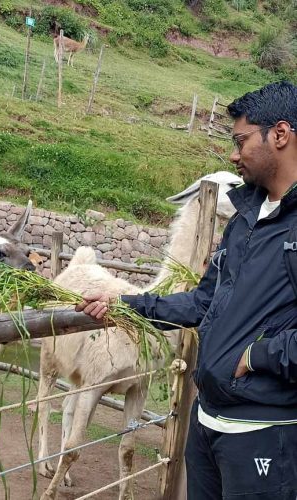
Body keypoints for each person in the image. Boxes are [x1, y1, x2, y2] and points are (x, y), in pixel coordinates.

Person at [76, 81, 297, 500]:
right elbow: (203, 301)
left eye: (241, 141)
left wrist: (254, 356)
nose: (234, 154)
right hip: (208, 422)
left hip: (264, 431)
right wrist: (125, 304)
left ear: (280, 135)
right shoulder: (246, 217)